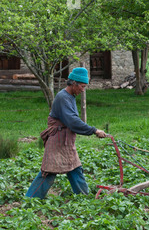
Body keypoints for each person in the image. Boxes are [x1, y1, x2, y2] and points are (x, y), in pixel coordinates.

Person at [26, 67, 107, 199]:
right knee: (49, 172)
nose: (83, 89)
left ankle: (84, 198)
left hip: (66, 140)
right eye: (82, 86)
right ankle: (30, 199)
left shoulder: (70, 96)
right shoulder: (63, 97)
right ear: (73, 83)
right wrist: (94, 130)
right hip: (57, 140)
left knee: (75, 168)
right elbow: (73, 122)